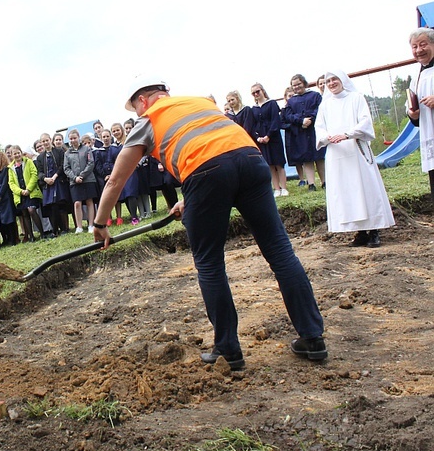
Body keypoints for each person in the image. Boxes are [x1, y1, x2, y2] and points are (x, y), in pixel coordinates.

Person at [93, 75, 326, 368]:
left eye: (136, 109)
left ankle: (228, 349)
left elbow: (116, 180)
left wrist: (100, 224)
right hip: (251, 162)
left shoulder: (148, 120)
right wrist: (190, 198)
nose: (138, 114)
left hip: (206, 173)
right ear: (166, 92)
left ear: (143, 101)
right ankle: (313, 337)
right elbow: (222, 152)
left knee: (210, 263)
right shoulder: (201, 103)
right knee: (279, 251)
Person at [315, 70, 395, 247]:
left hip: (356, 149)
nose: (332, 83)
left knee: (365, 188)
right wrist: (328, 137)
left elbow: (365, 122)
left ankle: (374, 231)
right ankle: (360, 232)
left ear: (343, 80)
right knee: (347, 192)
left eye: (335, 79)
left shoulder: (356, 98)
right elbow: (319, 128)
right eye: (328, 81)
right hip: (337, 154)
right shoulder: (325, 106)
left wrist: (347, 134)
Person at [282, 74, 326, 191]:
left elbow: (320, 109)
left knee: (319, 157)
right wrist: (301, 120)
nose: (296, 87)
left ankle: (324, 181)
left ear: (304, 83)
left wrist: (310, 118)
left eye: (298, 84)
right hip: (301, 132)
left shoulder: (315, 95)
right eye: (294, 85)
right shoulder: (291, 101)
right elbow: (288, 116)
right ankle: (311, 183)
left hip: (315, 130)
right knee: (307, 159)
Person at [407, 28, 434, 202]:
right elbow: (413, 115)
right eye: (415, 46)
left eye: (423, 44)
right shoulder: (416, 77)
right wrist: (413, 114)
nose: (419, 50)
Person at [251, 83, 289, 197]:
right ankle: (276, 188)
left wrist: (268, 136)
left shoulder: (272, 103)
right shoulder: (254, 108)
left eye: (258, 91)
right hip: (262, 139)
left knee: (279, 163)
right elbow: (254, 124)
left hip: (273, 137)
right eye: (253, 93)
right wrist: (258, 137)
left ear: (262, 90)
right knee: (269, 165)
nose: (256, 94)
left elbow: (275, 121)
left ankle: (284, 188)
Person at [35, 132, 71, 236]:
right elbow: (39, 172)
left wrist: (55, 176)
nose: (45, 143)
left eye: (47, 140)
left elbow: (61, 166)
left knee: (61, 204)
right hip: (48, 183)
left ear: (50, 140)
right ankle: (55, 230)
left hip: (58, 181)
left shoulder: (59, 152)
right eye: (43, 141)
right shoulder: (40, 157)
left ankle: (65, 228)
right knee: (51, 207)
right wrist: (45, 179)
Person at [63, 129, 97, 233]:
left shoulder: (86, 149)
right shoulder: (67, 153)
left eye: (75, 138)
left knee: (89, 201)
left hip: (88, 179)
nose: (73, 140)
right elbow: (66, 168)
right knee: (77, 203)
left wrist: (82, 175)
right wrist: (75, 178)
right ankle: (79, 227)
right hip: (74, 182)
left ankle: (91, 225)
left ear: (78, 137)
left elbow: (91, 163)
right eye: (71, 139)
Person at [8, 145, 44, 242]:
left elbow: (34, 174)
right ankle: (31, 236)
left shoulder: (29, 162)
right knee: (25, 214)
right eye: (14, 154)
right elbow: (11, 183)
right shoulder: (10, 168)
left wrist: (28, 189)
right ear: (12, 155)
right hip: (20, 195)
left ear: (21, 152)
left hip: (31, 192)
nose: (17, 155)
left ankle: (42, 233)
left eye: (18, 153)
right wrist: (20, 191)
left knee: (31, 210)